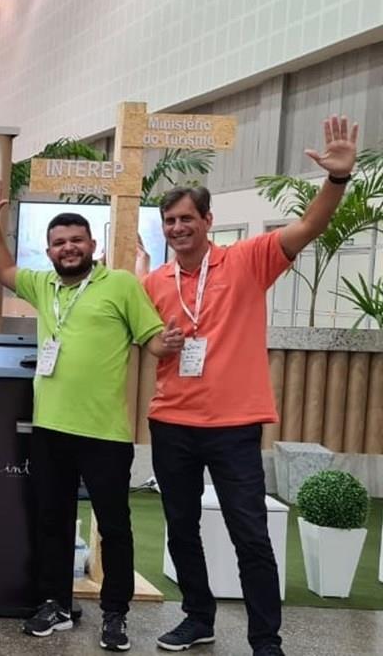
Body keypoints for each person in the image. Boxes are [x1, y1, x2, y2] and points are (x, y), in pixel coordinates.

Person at [143, 116, 358, 656]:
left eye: (186, 218)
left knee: (251, 535)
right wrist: (159, 346)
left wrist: (336, 180)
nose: (178, 228)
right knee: (181, 529)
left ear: (207, 221)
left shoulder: (247, 260)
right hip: (171, 421)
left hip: (234, 425)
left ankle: (266, 641)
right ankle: (198, 618)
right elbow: (148, 344)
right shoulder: (154, 283)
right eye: (170, 221)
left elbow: (308, 227)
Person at [0, 176, 183, 651]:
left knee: (114, 526)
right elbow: (3, 268)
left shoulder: (121, 284)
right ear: (49, 250)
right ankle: (54, 603)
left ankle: (115, 614)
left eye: (76, 240)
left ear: (92, 245)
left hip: (104, 432)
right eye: (59, 243)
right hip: (50, 428)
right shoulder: (43, 284)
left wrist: (167, 342)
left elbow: (151, 339)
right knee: (51, 520)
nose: (68, 248)